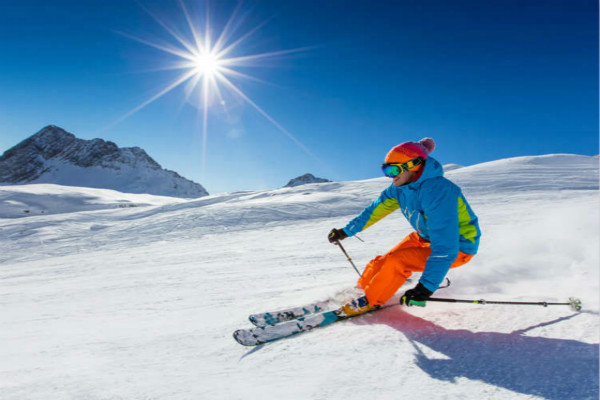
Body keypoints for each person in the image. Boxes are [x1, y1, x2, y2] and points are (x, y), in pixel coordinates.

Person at [328, 138, 481, 315]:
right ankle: (362, 290)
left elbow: (446, 246)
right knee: (384, 260)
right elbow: (374, 211)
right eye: (386, 170)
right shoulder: (399, 188)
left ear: (414, 165)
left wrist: (426, 287)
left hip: (459, 246)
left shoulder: (438, 191)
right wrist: (346, 231)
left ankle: (370, 301)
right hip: (425, 237)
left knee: (397, 262)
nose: (390, 176)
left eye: (393, 170)